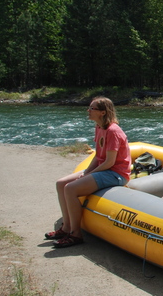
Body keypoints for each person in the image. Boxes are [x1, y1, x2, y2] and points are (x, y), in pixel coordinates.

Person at [49, 97, 131, 248]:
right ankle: (66, 227)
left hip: (115, 173)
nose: (88, 111)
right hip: (104, 169)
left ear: (102, 112)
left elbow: (109, 162)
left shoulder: (113, 131)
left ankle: (75, 234)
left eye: (92, 108)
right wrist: (87, 171)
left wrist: (87, 175)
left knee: (70, 188)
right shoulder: (99, 127)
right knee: (61, 184)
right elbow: (98, 156)